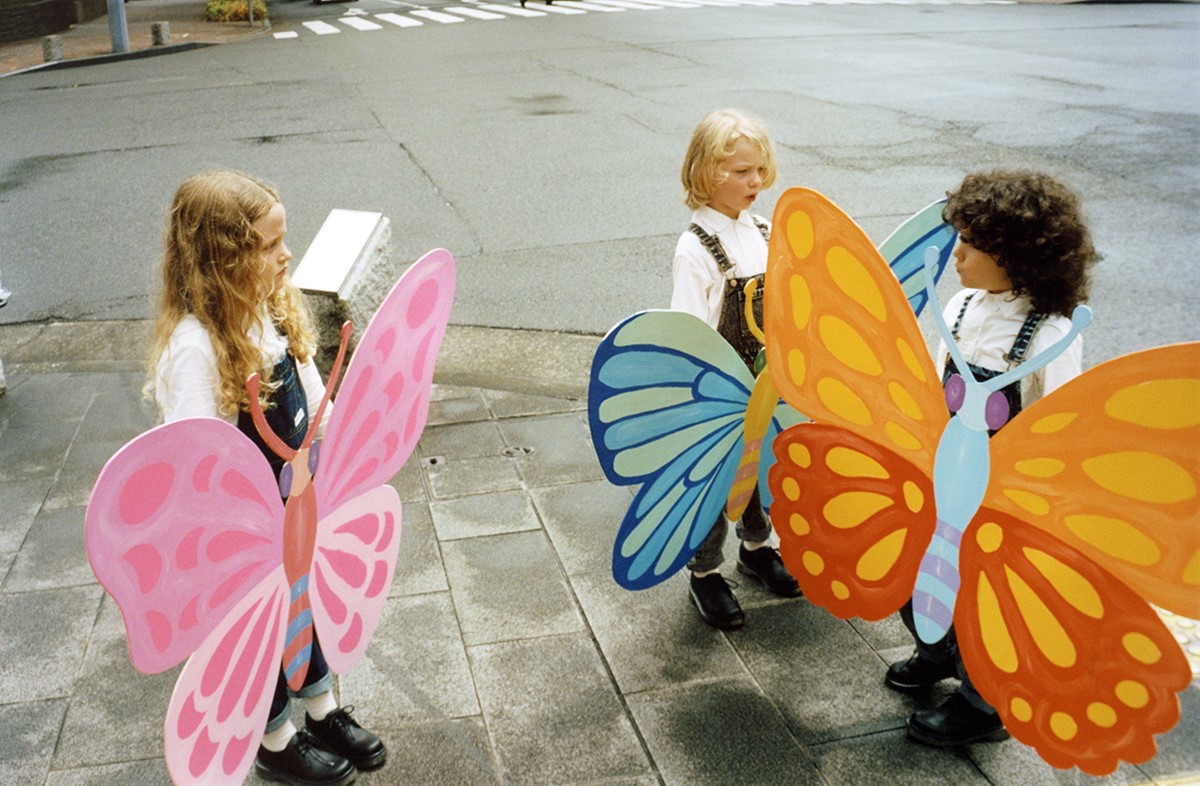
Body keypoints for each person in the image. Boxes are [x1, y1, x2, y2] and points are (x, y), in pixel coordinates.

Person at [149, 170, 387, 786]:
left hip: (296, 511)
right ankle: (275, 738)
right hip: (242, 534)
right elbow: (196, 462)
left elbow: (315, 402)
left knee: (304, 613)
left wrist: (345, 446)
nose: (286, 255)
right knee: (259, 635)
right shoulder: (197, 347)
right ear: (222, 258)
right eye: (267, 245)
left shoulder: (271, 310)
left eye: (284, 239)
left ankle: (322, 711)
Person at [886, 169, 1098, 746]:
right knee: (921, 572)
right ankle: (936, 650)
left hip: (1002, 491)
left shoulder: (1049, 330)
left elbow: (1058, 426)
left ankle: (985, 703)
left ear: (1015, 255)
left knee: (984, 594)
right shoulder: (961, 306)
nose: (956, 252)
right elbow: (937, 384)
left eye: (970, 243)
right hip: (948, 473)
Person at [670, 109, 802, 630]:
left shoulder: (767, 231)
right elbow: (688, 332)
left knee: (761, 461)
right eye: (741, 172)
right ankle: (704, 573)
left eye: (760, 170)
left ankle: (756, 547)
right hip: (718, 389)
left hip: (767, 380)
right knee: (722, 474)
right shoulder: (696, 248)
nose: (756, 181)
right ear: (705, 172)